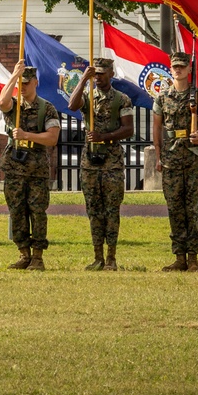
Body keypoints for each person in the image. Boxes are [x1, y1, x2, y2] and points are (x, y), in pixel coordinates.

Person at [68, 57, 134, 271]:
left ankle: (111, 257)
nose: (98, 77)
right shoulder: (88, 97)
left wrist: (104, 136)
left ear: (111, 74)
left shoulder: (122, 100)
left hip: (112, 162)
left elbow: (128, 129)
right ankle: (98, 256)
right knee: (94, 210)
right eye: (95, 74)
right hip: (90, 162)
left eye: (102, 73)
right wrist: (82, 80)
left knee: (111, 210)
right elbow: (72, 104)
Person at [152, 52, 198, 272]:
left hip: (195, 159)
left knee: (194, 209)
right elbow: (157, 127)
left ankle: (193, 257)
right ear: (170, 69)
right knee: (175, 209)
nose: (178, 70)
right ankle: (179, 257)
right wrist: (158, 155)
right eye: (175, 66)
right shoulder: (162, 97)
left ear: (189, 69)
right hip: (171, 158)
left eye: (182, 66)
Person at [0, 61, 60, 271]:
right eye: (20, 84)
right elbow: (1, 103)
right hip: (15, 167)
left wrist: (27, 135)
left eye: (26, 83)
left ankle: (38, 256)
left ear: (35, 82)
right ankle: (23, 253)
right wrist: (14, 76)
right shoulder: (14, 106)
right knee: (17, 211)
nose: (22, 87)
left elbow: (52, 138)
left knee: (37, 211)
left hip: (37, 169)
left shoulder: (47, 108)